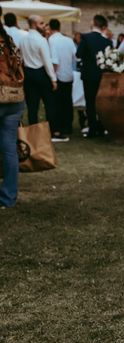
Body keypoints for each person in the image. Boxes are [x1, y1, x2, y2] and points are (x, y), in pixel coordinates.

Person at [0, 22, 25, 208]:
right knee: (9, 150)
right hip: (15, 98)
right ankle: (8, 197)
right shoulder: (9, 41)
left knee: (9, 150)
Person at [76, 15, 111, 138]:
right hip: (102, 75)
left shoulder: (86, 38)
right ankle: (101, 127)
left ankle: (92, 129)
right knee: (101, 102)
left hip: (88, 75)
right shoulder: (107, 41)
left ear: (93, 23)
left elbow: (79, 54)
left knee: (90, 102)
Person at [20, 15, 56, 126]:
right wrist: (53, 79)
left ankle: (33, 131)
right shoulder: (41, 40)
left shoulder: (23, 39)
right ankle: (52, 131)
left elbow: (20, 58)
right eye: (41, 23)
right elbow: (47, 62)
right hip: (41, 73)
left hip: (28, 74)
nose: (44, 25)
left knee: (32, 107)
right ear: (34, 25)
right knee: (49, 103)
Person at [48, 18, 76, 141]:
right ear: (59, 27)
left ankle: (58, 127)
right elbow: (75, 56)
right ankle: (68, 126)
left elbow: (54, 61)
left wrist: (52, 77)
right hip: (69, 74)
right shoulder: (69, 40)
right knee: (67, 101)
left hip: (58, 75)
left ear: (50, 28)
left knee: (57, 103)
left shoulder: (51, 40)